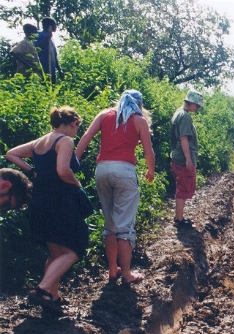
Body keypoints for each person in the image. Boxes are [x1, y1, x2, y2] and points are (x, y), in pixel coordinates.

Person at [6, 107, 85, 313]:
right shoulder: (65, 141)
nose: (77, 130)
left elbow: (11, 154)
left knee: (56, 252)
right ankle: (42, 289)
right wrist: (76, 184)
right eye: (78, 126)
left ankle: (53, 295)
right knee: (75, 248)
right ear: (73, 123)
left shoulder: (40, 142)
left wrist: (32, 170)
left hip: (39, 199)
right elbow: (62, 170)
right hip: (59, 200)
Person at [76, 90, 155, 286]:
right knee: (124, 226)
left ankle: (113, 269)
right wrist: (150, 170)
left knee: (109, 223)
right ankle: (127, 272)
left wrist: (74, 161)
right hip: (124, 170)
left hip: (102, 169)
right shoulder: (139, 120)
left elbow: (86, 136)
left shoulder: (104, 115)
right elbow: (148, 150)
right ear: (139, 104)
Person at [169, 90, 203, 228]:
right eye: (197, 105)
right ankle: (179, 219)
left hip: (177, 155)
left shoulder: (179, 112)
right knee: (183, 186)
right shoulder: (185, 116)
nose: (198, 108)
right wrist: (188, 159)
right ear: (191, 102)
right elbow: (184, 138)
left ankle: (179, 216)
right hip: (183, 157)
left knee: (181, 185)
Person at [35, 17, 64, 84]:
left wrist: (60, 70)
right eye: (55, 25)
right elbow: (37, 49)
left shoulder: (52, 39)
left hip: (52, 71)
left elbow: (54, 56)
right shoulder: (39, 34)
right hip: (43, 70)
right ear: (50, 26)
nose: (56, 27)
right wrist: (47, 38)